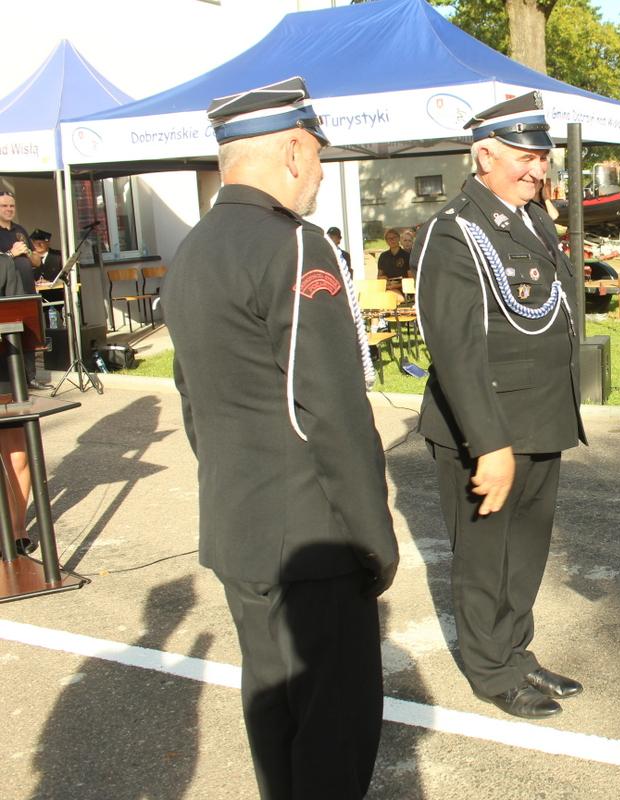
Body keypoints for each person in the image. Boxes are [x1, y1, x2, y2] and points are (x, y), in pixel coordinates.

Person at [161, 76, 399, 800]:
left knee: (276, 723)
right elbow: (330, 414)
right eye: (319, 156)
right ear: (294, 150)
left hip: (240, 529)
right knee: (333, 737)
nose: (321, 173)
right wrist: (373, 539)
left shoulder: (192, 250)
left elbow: (194, 402)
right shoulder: (297, 247)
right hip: (311, 543)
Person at [413, 91, 586, 720]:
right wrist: (488, 444)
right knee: (486, 558)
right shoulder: (453, 230)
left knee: (526, 553)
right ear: (484, 155)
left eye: (542, 157)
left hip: (541, 417)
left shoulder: (531, 219)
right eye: (525, 157)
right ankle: (491, 671)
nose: (538, 169)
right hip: (486, 428)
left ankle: (516, 651)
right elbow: (455, 350)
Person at [0, 251, 35, 555]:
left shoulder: (3, 264)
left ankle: (16, 529)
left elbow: (20, 316)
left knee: (17, 455)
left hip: (4, 370)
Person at [0, 191, 51, 390]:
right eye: (4, 206)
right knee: (10, 338)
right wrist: (11, 253)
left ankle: (30, 377)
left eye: (11, 206)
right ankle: (12, 381)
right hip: (7, 293)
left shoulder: (20, 230)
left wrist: (28, 252)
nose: (9, 209)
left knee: (29, 334)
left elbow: (37, 261)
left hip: (27, 290)